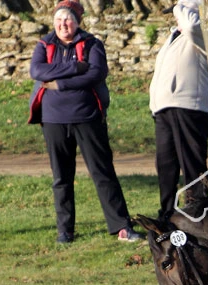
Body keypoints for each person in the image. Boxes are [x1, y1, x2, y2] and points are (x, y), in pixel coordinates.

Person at [28, 0, 141, 244]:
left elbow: (96, 73)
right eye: (58, 20)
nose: (62, 24)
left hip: (87, 117)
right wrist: (74, 67)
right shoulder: (44, 44)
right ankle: (65, 231)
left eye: (67, 19)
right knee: (61, 177)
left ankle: (122, 226)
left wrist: (60, 83)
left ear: (77, 22)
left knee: (103, 172)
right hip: (53, 119)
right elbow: (37, 72)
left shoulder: (92, 44)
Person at [149, 0, 208, 218]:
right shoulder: (173, 36)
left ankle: (197, 212)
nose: (176, 16)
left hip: (189, 107)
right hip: (164, 109)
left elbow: (192, 26)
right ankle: (167, 214)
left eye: (183, 12)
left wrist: (179, 6)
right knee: (165, 166)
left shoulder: (204, 34)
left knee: (192, 163)